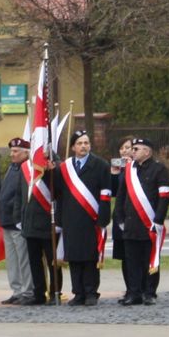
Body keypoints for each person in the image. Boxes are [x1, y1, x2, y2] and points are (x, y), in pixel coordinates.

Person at [55, 130, 111, 306]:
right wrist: (59, 220)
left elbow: (106, 194)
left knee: (89, 256)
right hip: (70, 218)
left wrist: (103, 218)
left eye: (86, 143)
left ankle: (91, 292)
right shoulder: (65, 167)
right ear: (73, 147)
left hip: (91, 218)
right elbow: (59, 194)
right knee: (74, 257)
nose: (83, 146)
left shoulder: (100, 165)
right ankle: (78, 292)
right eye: (79, 143)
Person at [114, 137, 169, 306]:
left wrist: (158, 221)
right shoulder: (129, 170)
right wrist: (119, 217)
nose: (132, 151)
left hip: (149, 223)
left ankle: (149, 292)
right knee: (132, 261)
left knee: (150, 259)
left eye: (136, 149)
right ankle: (134, 292)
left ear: (147, 151)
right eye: (133, 148)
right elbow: (121, 196)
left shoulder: (159, 169)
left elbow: (164, 196)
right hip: (131, 224)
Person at [0, 138, 34, 305]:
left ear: (26, 152)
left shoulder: (27, 169)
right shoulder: (13, 168)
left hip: (18, 221)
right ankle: (17, 290)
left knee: (23, 259)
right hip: (6, 220)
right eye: (11, 151)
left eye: (16, 151)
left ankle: (27, 290)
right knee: (12, 260)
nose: (12, 154)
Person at [20, 143, 57, 306]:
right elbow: (21, 196)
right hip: (30, 222)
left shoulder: (54, 167)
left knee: (52, 261)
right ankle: (39, 293)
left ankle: (55, 291)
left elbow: (57, 191)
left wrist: (51, 171)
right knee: (34, 262)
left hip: (47, 223)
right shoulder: (26, 168)